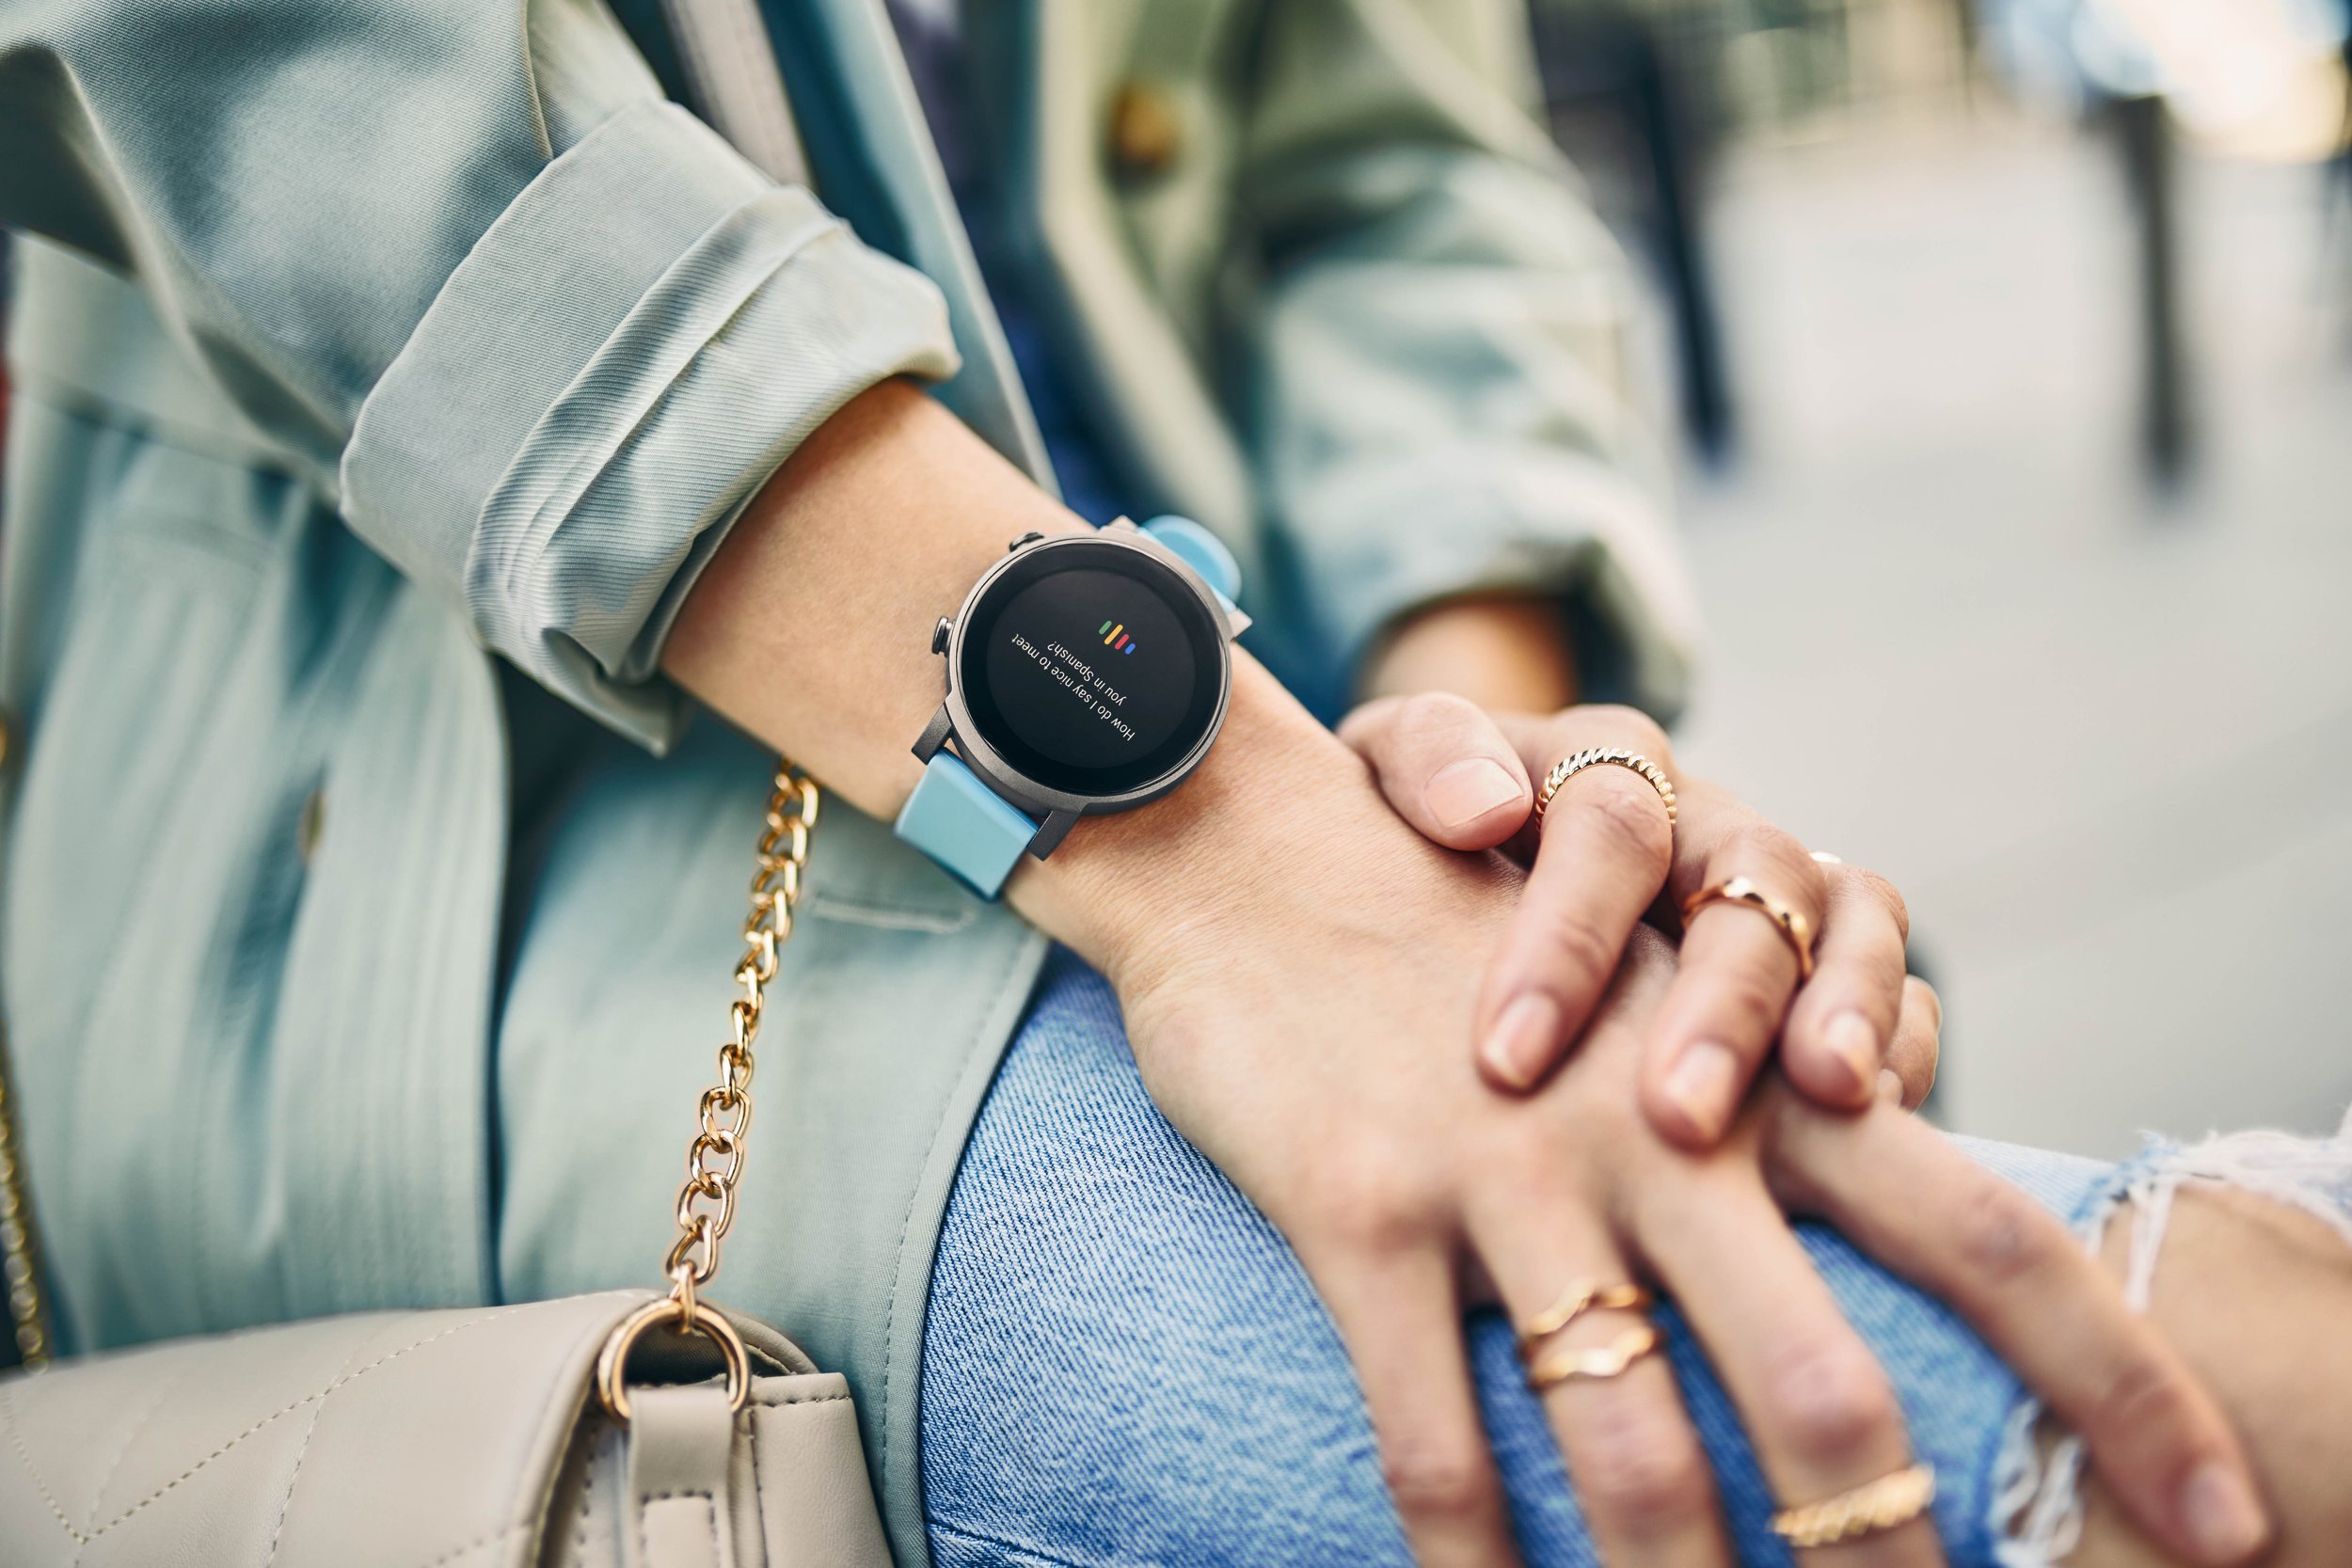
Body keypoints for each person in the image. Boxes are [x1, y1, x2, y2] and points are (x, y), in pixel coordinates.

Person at [0, 5, 2344, 1568]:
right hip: (527, 853)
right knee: (2220, 1410)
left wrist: (1475, 784)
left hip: (1303, 759)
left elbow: (1401, 179)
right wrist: (1232, 860)